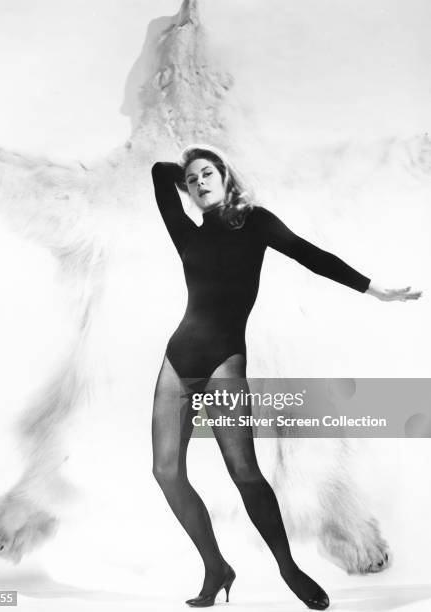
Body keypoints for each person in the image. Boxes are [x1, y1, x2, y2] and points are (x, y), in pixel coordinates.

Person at [150, 144, 421, 610]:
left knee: (244, 471)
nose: (199, 183)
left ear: (226, 175)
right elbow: (159, 173)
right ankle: (216, 566)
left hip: (223, 364)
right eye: (192, 179)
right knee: (165, 471)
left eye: (207, 173)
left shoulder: (254, 221)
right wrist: (185, 168)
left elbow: (307, 253)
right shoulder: (185, 233)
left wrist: (373, 289)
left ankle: (287, 566)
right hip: (179, 360)